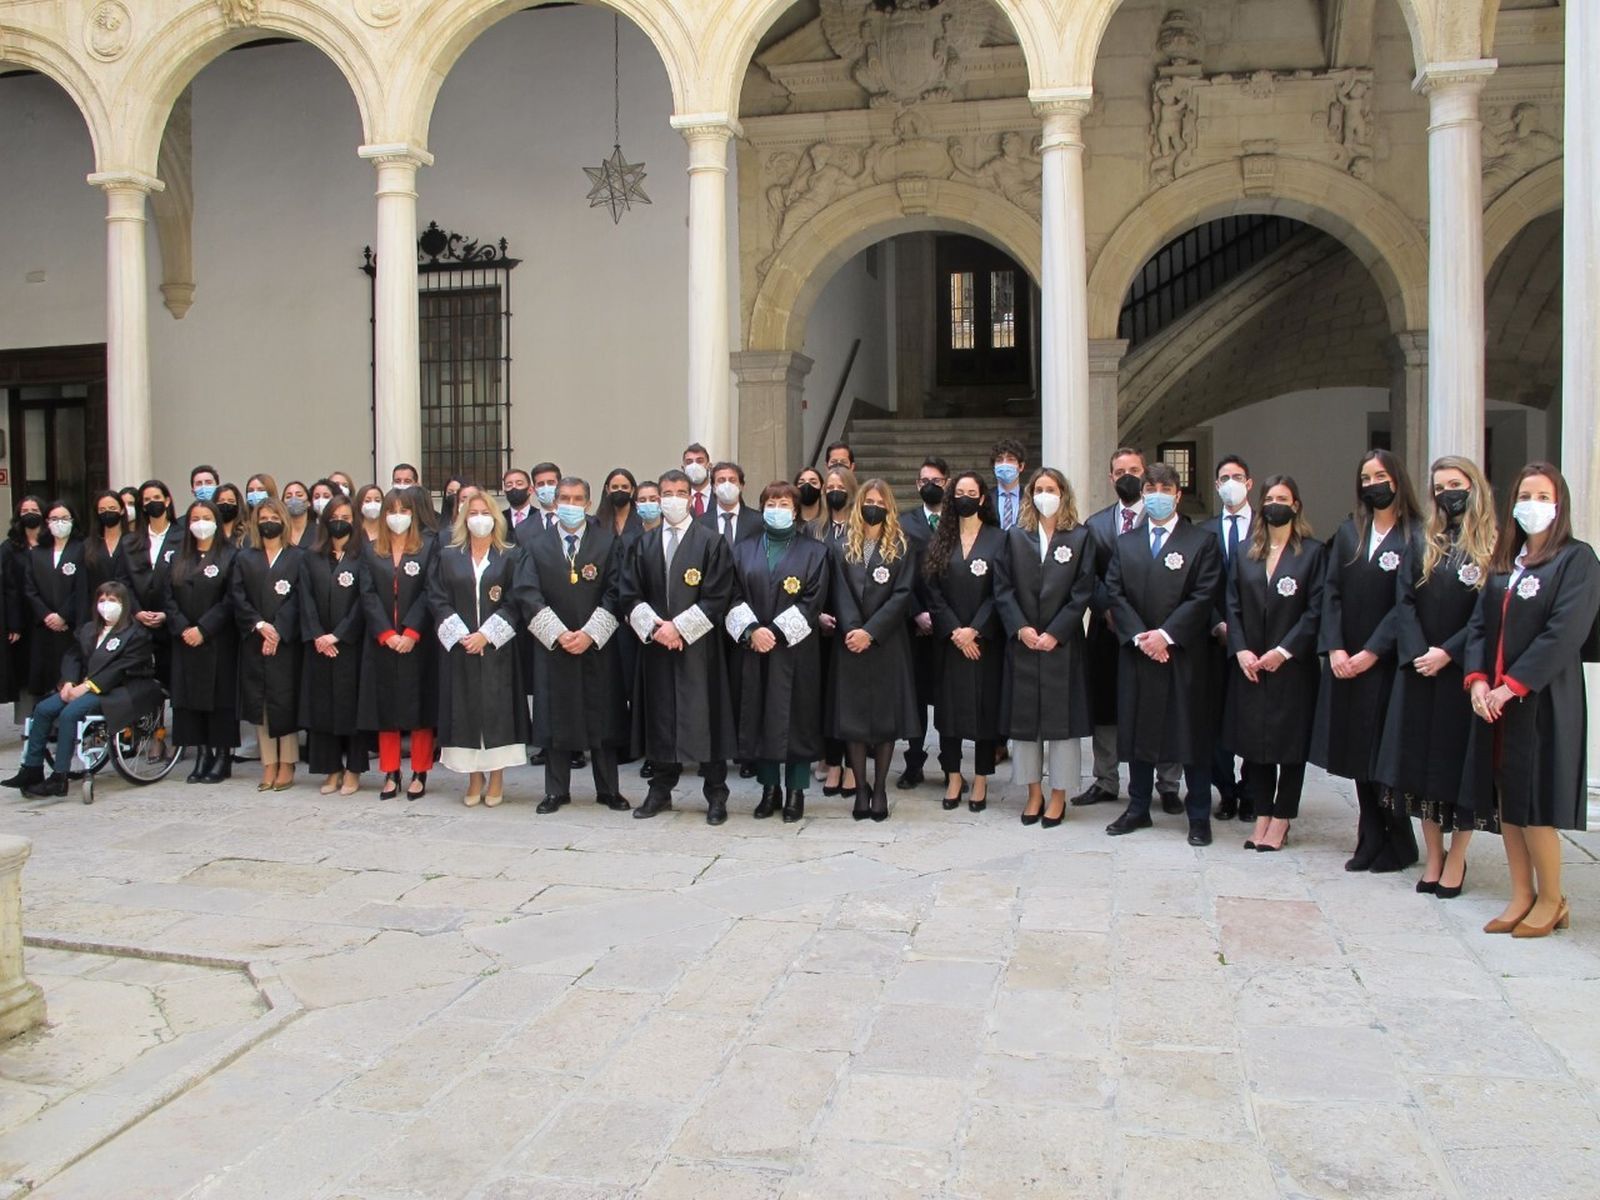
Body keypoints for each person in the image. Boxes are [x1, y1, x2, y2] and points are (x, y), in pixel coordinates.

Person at [1463, 463, 1600, 937]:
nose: (1533, 505)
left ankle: (1552, 898)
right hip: (1496, 703)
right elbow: (1480, 626)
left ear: (1559, 506)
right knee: (1508, 802)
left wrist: (1511, 685)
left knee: (1537, 803)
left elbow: (1564, 633)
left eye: (1544, 497)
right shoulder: (1507, 562)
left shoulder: (1576, 560)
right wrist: (1479, 680)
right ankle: (1521, 893)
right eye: (1526, 495)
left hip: (1539, 701)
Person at [1377, 456, 1497, 895]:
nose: (1449, 492)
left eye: (1457, 483)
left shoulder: (1491, 544)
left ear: (1474, 486)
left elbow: (1489, 613)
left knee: (1458, 768)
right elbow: (1403, 600)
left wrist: (1449, 652)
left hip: (1463, 673)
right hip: (1420, 671)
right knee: (1421, 768)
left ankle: (1458, 857)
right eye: (1441, 486)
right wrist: (1418, 652)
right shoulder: (1425, 540)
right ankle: (1433, 856)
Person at [1103, 461, 1224, 846]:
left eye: (1164, 488)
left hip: (1183, 656)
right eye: (1149, 488)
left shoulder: (1200, 541)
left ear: (1177, 494)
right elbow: (1114, 593)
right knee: (1140, 730)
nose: (1156, 494)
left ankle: (1199, 814)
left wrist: (1167, 635)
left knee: (1191, 735)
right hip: (1139, 654)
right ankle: (1138, 806)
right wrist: (1141, 636)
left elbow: (1204, 595)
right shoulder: (1127, 543)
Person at [1313, 448, 1421, 873]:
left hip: (1388, 661)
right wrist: (1336, 648)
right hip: (1347, 661)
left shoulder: (1416, 534)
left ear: (1397, 480)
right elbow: (1331, 592)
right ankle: (1370, 833)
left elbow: (1408, 602)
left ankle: (1398, 837)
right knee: (1357, 752)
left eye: (1381, 476)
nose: (1373, 483)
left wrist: (1372, 651)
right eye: (1366, 477)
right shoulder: (1349, 531)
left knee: (1384, 753)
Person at [618, 469, 738, 824]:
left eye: (679, 492)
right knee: (660, 717)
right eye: (664, 493)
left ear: (691, 497)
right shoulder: (644, 544)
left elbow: (718, 595)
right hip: (657, 648)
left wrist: (680, 629)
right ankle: (660, 791)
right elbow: (630, 593)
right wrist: (658, 629)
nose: (671, 499)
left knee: (705, 718)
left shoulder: (711, 542)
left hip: (699, 650)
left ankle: (716, 794)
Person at [1223, 475, 1325, 852]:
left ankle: (1282, 817)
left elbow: (1316, 610)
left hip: (1291, 666)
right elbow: (1231, 603)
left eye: (1283, 498)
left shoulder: (1312, 553)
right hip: (1251, 663)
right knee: (1256, 744)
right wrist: (1241, 649)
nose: (1275, 504)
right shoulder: (1246, 552)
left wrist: (1284, 651)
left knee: (1289, 744)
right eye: (1269, 498)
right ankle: (1262, 812)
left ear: (1296, 505)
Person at [516, 476, 630, 813]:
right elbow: (526, 592)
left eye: (577, 498)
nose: (569, 504)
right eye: (564, 497)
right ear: (555, 502)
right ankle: (556, 791)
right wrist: (558, 633)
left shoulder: (607, 543)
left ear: (588, 502)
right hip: (553, 647)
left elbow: (617, 591)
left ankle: (609, 790)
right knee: (555, 717)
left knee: (603, 719)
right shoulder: (535, 545)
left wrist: (590, 634)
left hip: (597, 647)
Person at [1079, 449, 1183, 809]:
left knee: (1163, 705)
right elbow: (1088, 577)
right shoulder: (1095, 525)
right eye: (1120, 471)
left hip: (1156, 633)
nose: (1127, 476)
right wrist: (1108, 611)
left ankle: (1168, 784)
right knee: (1105, 706)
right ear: (1110, 478)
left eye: (1134, 470)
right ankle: (1105, 779)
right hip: (1109, 631)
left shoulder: (1162, 521)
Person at [995, 468, 1096, 827]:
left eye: (1051, 489)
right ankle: (1033, 793)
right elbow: (1002, 587)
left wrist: (1056, 631)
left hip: (1062, 644)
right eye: (1038, 489)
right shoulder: (1015, 537)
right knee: (1026, 725)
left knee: (1062, 725)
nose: (1044, 495)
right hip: (1023, 642)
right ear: (1029, 494)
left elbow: (1083, 590)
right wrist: (1020, 627)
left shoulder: (1080, 537)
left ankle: (1058, 796)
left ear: (1063, 494)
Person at [725, 481, 829, 821]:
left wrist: (778, 632)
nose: (776, 508)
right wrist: (753, 631)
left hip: (796, 651)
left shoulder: (815, 552)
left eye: (784, 503)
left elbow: (813, 600)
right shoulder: (743, 549)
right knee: (759, 717)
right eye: (770, 502)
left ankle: (796, 791)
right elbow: (732, 594)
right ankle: (769, 789)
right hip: (754, 649)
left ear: (795, 510)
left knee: (795, 720)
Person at [5, 581, 158, 799]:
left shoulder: (136, 634)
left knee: (70, 713)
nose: (106, 605)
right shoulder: (89, 630)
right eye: (102, 600)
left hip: (114, 689)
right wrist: (68, 681)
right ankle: (32, 769)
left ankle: (60, 776)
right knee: (43, 709)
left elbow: (122, 668)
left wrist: (88, 687)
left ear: (124, 603)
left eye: (112, 600)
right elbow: (73, 656)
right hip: (81, 686)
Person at [829, 479, 920, 820]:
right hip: (850, 643)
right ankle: (860, 789)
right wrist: (854, 630)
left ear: (889, 507)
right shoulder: (841, 546)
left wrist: (872, 631)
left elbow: (903, 595)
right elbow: (839, 590)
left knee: (884, 719)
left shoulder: (901, 545)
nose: (873, 506)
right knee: (853, 718)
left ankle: (880, 787)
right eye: (868, 500)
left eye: (880, 502)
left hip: (886, 643)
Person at [429, 491, 526, 808]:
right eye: (473, 513)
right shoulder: (447, 555)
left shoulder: (511, 555)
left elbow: (517, 600)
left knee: (497, 711)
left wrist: (487, 634)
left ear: (495, 518)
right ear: (463, 519)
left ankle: (496, 777)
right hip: (460, 650)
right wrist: (461, 635)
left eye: (486, 512)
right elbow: (436, 597)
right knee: (465, 709)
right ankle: (473, 778)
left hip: (498, 650)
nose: (479, 518)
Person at [924, 470, 1007, 812]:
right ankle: (954, 774)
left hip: (984, 642)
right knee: (950, 712)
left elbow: (1001, 591)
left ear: (983, 498)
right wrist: (956, 631)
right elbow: (932, 590)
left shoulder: (999, 540)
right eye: (959, 492)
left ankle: (982, 778)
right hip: (949, 641)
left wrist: (975, 629)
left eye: (972, 492)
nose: (965, 498)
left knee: (984, 711)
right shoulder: (940, 540)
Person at [359, 488, 436, 801]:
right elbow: (367, 594)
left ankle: (420, 771)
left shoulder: (429, 546)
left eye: (404, 510)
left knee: (419, 708)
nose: (397, 516)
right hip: (382, 642)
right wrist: (386, 634)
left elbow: (430, 591)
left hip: (416, 642)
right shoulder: (371, 549)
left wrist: (411, 631)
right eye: (392, 510)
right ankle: (391, 771)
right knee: (385, 708)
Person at [164, 500, 240, 783]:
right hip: (184, 642)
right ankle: (202, 754)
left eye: (206, 517)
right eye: (195, 518)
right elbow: (168, 598)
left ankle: (221, 756)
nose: (200, 523)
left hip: (217, 641)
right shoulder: (178, 558)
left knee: (219, 701)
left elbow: (231, 598)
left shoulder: (230, 555)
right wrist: (183, 627)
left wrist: (204, 629)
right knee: (190, 701)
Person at [231, 498, 304, 791]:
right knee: (260, 702)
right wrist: (260, 626)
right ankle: (268, 763)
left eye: (274, 516)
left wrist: (278, 630)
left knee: (283, 701)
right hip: (254, 640)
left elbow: (300, 597)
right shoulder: (245, 558)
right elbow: (237, 595)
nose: (269, 521)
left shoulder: (297, 557)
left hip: (285, 643)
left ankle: (287, 763)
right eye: (263, 517)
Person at [300, 494, 367, 795]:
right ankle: (330, 769)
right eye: (335, 516)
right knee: (322, 708)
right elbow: (305, 599)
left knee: (350, 709)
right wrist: (318, 635)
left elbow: (363, 601)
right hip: (319, 646)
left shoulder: (362, 555)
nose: (340, 521)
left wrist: (338, 634)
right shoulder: (311, 556)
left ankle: (353, 770)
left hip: (349, 645)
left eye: (346, 517)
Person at [1206, 455, 1254, 822]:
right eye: (1224, 478)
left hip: (1256, 643)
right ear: (1216, 485)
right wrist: (1217, 624)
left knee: (1253, 719)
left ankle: (1252, 791)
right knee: (1216, 720)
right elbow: (1196, 588)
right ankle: (1225, 791)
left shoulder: (1266, 529)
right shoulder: (1204, 532)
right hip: (1213, 640)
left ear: (1249, 484)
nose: (1231, 483)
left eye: (1237, 477)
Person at [896, 456, 947, 789]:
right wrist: (916, 611)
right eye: (924, 480)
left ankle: (950, 764)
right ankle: (913, 762)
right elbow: (901, 574)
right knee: (913, 697)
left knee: (946, 697)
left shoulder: (957, 521)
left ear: (947, 483)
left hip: (948, 624)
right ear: (917, 485)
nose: (930, 485)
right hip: (913, 622)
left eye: (937, 480)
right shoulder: (904, 522)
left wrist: (943, 616)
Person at [813, 465, 858, 796]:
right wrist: (816, 615)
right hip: (822, 627)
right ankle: (832, 761)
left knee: (850, 698)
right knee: (825, 698)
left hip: (853, 625)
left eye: (840, 485)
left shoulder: (861, 529)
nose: (834, 490)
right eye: (829, 485)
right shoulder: (816, 530)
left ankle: (854, 766)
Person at [22, 502, 88, 714]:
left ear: (73, 521)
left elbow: (82, 588)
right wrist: (47, 615)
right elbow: (30, 588)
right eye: (54, 519)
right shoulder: (37, 553)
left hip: (70, 628)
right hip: (44, 628)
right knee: (45, 677)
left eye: (64, 518)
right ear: (47, 522)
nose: (59, 523)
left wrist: (63, 615)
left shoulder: (82, 549)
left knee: (69, 675)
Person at [118, 480, 179, 689]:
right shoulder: (130, 541)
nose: (152, 503)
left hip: (171, 620)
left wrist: (167, 613)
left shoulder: (182, 536)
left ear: (167, 500)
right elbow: (123, 580)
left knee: (170, 680)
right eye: (146, 500)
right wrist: (136, 611)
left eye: (157, 498)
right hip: (139, 620)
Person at [700, 462, 762, 548]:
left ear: (741, 486)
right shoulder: (701, 523)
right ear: (713, 488)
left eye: (732, 480)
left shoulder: (758, 521)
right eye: (721, 480)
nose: (727, 485)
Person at [84, 490, 129, 591]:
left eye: (112, 508)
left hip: (128, 602)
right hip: (97, 601)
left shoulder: (133, 542)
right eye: (102, 510)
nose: (107, 512)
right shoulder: (88, 545)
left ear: (122, 510)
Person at [991, 438, 1028, 531]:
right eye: (999, 460)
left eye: (1010, 459)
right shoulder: (986, 498)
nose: (1004, 464)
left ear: (1021, 466)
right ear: (994, 467)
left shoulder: (1030, 497)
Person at [602, 469, 640, 541]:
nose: (620, 490)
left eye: (625, 487)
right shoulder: (597, 523)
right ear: (607, 490)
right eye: (615, 487)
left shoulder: (642, 520)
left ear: (632, 490)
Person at [681, 443, 713, 519]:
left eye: (699, 461)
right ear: (683, 468)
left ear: (709, 466)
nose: (694, 466)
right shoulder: (680, 497)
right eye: (689, 462)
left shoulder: (720, 495)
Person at [529, 462, 562, 532]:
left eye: (551, 483)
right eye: (540, 484)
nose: (546, 487)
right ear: (534, 489)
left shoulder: (582, 522)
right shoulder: (523, 528)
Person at [502, 467, 537, 532]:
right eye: (509, 485)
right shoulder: (499, 518)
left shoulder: (541, 517)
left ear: (530, 489)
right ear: (505, 492)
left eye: (519, 484)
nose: (514, 487)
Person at [280, 481, 313, 546]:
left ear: (309, 502)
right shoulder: (278, 532)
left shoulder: (319, 532)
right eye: (288, 497)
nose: (294, 499)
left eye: (299, 495)